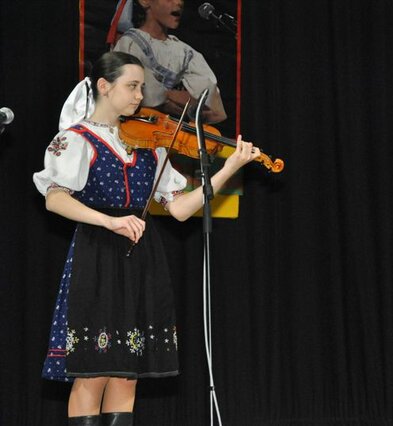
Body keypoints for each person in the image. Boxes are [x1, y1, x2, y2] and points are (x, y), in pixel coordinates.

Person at [33, 51, 259, 426]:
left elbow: (181, 209)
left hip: (142, 257)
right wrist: (107, 221)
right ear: (104, 86)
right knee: (93, 372)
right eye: (132, 86)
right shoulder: (75, 139)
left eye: (142, 87)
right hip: (96, 254)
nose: (140, 95)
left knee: (126, 371)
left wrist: (229, 168)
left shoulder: (151, 145)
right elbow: (56, 199)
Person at [113, 0, 227, 124]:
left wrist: (170, 97)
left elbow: (213, 108)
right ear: (145, 2)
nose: (179, 3)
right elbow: (137, 95)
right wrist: (171, 96)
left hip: (172, 131)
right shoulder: (130, 43)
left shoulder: (185, 52)